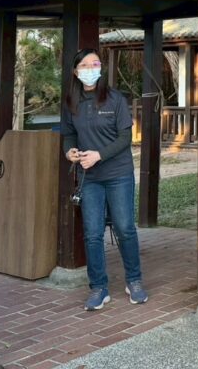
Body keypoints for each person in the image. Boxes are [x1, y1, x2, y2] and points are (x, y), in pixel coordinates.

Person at [62, 48, 147, 311]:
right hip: (89, 178)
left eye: (95, 64)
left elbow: (125, 138)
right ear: (76, 72)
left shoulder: (115, 99)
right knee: (92, 234)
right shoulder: (72, 102)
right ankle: (98, 288)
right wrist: (69, 151)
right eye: (85, 65)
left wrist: (99, 155)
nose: (91, 69)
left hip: (118, 174)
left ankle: (134, 281)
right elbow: (69, 134)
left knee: (125, 228)